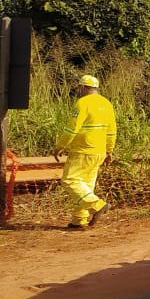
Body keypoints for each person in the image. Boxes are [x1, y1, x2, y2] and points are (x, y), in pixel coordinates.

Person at [53, 74, 116, 230]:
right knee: (85, 186)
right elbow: (112, 130)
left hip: (83, 150)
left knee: (70, 180)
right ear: (96, 88)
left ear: (82, 87)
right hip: (99, 152)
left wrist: (60, 145)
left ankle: (98, 205)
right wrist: (109, 150)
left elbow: (72, 128)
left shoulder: (82, 103)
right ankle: (79, 220)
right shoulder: (107, 104)